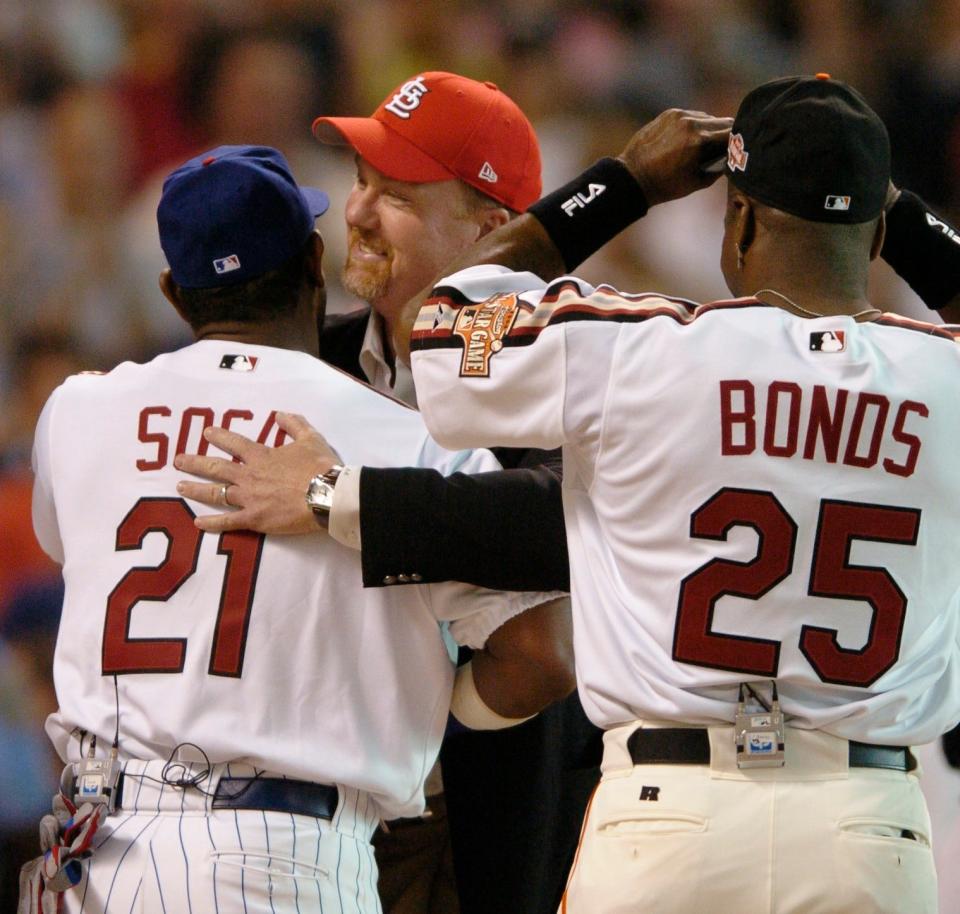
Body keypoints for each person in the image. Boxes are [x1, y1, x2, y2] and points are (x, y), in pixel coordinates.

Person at [403, 75, 959, 913]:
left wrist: (618, 186)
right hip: (866, 826)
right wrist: (904, 216)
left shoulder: (637, 349)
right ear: (878, 236)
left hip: (669, 818)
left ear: (737, 218)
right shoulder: (941, 376)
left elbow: (446, 325)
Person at [20, 144, 569, 914]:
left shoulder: (76, 411)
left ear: (175, 293)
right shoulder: (401, 436)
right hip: (275, 852)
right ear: (316, 261)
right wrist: (413, 718)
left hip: (94, 846)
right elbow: (544, 655)